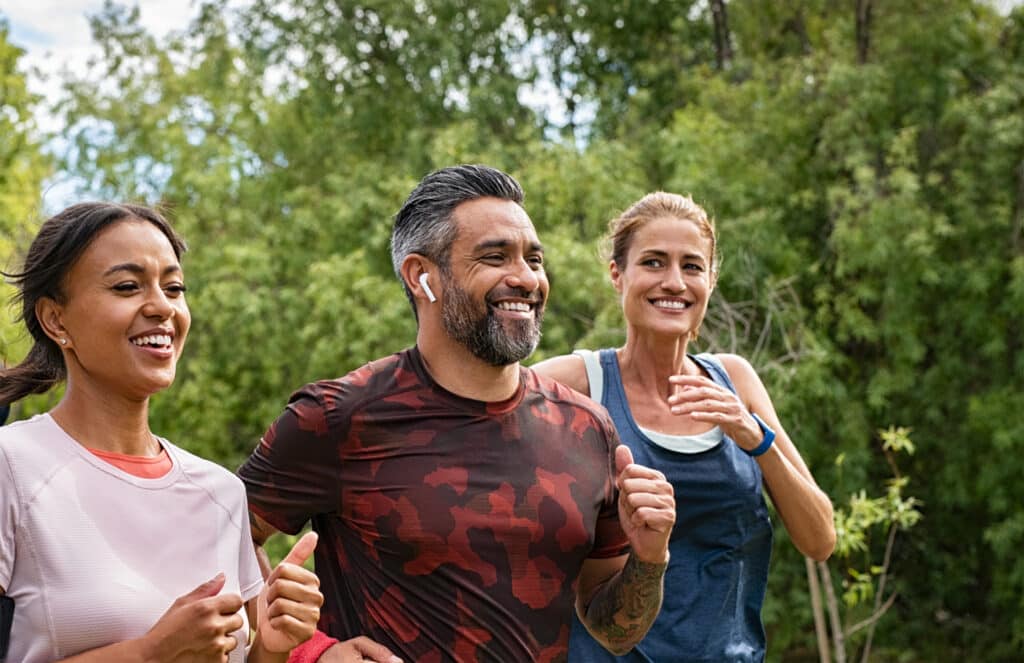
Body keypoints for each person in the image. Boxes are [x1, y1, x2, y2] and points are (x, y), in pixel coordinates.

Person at [238, 165, 677, 663]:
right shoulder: (338, 417)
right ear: (421, 277)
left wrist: (649, 558)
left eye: (534, 259)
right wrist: (310, 651)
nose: (526, 278)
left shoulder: (586, 428)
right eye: (495, 257)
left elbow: (614, 632)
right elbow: (217, 543)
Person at [0, 202, 325, 662]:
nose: (161, 307)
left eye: (174, 288)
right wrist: (151, 654)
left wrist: (270, 648)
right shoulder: (12, 465)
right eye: (127, 286)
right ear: (56, 319)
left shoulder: (222, 493)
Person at [532, 192, 837, 662]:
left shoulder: (735, 379)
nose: (674, 282)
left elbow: (819, 539)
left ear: (711, 280)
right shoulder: (575, 384)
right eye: (654, 262)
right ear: (618, 274)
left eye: (692, 266)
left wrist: (755, 437)